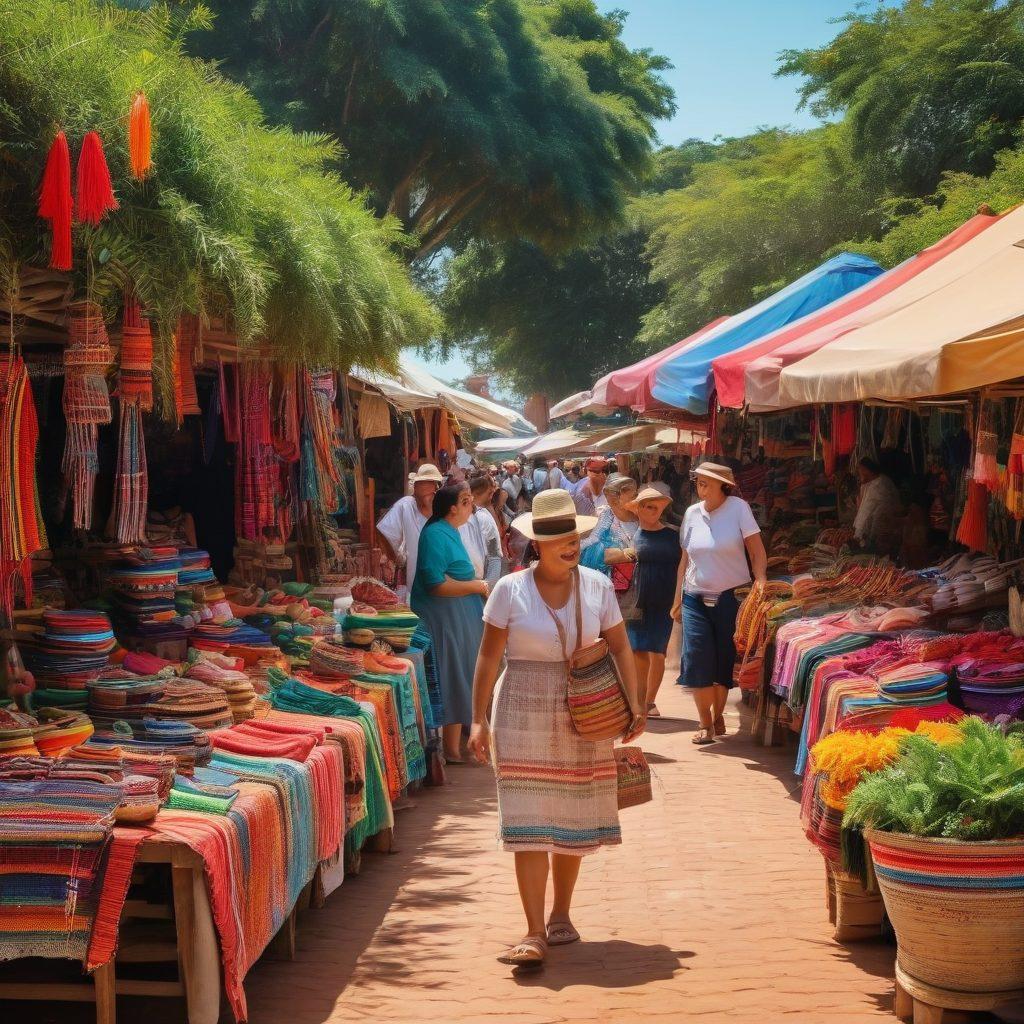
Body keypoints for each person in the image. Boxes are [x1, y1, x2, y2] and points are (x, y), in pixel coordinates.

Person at [468, 489, 644, 969]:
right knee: (527, 821)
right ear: (536, 545)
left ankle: (562, 915)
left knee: (571, 815)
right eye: (556, 539)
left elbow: (622, 648)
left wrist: (635, 706)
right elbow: (488, 656)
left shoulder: (597, 586)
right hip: (520, 708)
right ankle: (532, 930)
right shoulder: (509, 589)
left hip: (585, 710)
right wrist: (477, 718)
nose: (568, 545)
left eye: (572, 537)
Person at [671, 462, 767, 745]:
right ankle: (705, 723)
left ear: (722, 486)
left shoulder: (738, 509)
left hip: (730, 596)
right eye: (699, 483)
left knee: (723, 660)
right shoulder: (691, 514)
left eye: (706, 483)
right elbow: (684, 560)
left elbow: (756, 551)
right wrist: (677, 597)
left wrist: (760, 578)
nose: (701, 488)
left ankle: (717, 714)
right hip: (694, 597)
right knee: (697, 658)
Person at [411, 483, 489, 762]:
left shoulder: (450, 532)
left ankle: (457, 748)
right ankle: (452, 750)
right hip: (444, 619)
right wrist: (477, 586)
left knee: (460, 675)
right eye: (466, 501)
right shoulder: (434, 534)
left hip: (458, 618)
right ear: (452, 508)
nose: (472, 506)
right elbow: (435, 584)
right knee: (452, 676)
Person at [623, 485, 681, 718]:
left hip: (664, 600)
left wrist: (679, 598)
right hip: (638, 599)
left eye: (657, 507)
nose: (654, 511)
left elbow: (683, 567)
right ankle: (639, 700)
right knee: (638, 652)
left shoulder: (673, 535)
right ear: (638, 509)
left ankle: (650, 701)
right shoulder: (631, 535)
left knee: (658, 652)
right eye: (648, 507)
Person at [375, 463, 444, 591]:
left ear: (435, 486)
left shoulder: (443, 508)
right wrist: (394, 557)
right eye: (420, 483)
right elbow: (383, 530)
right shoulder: (406, 505)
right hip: (415, 582)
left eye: (428, 483)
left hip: (442, 580)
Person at [853, 456, 902, 553]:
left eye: (861, 469)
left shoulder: (881, 483)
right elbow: (863, 508)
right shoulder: (867, 485)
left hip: (880, 532)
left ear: (867, 469)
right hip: (869, 531)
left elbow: (876, 511)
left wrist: (864, 533)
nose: (859, 472)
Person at [460, 473, 503, 579]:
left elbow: (494, 555)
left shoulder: (482, 515)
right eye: (489, 492)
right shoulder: (482, 517)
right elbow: (494, 555)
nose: (492, 495)